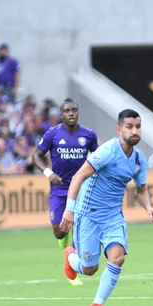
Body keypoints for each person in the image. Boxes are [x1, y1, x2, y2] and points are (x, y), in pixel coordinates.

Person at [59, 109, 153, 306]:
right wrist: (69, 209)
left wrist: (148, 207)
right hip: (88, 214)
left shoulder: (139, 159)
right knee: (89, 269)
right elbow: (78, 177)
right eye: (129, 127)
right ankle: (71, 257)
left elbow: (141, 191)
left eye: (138, 127)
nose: (134, 131)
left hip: (113, 216)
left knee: (118, 257)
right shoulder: (107, 152)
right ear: (119, 129)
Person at [33, 98, 98, 286]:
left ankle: (72, 262)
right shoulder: (52, 134)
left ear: (78, 112)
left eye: (74, 110)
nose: (71, 113)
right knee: (59, 232)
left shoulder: (88, 135)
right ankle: (66, 248)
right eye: (67, 111)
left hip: (81, 188)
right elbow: (36, 155)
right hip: (59, 188)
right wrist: (48, 172)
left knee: (79, 227)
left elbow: (97, 157)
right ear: (61, 114)